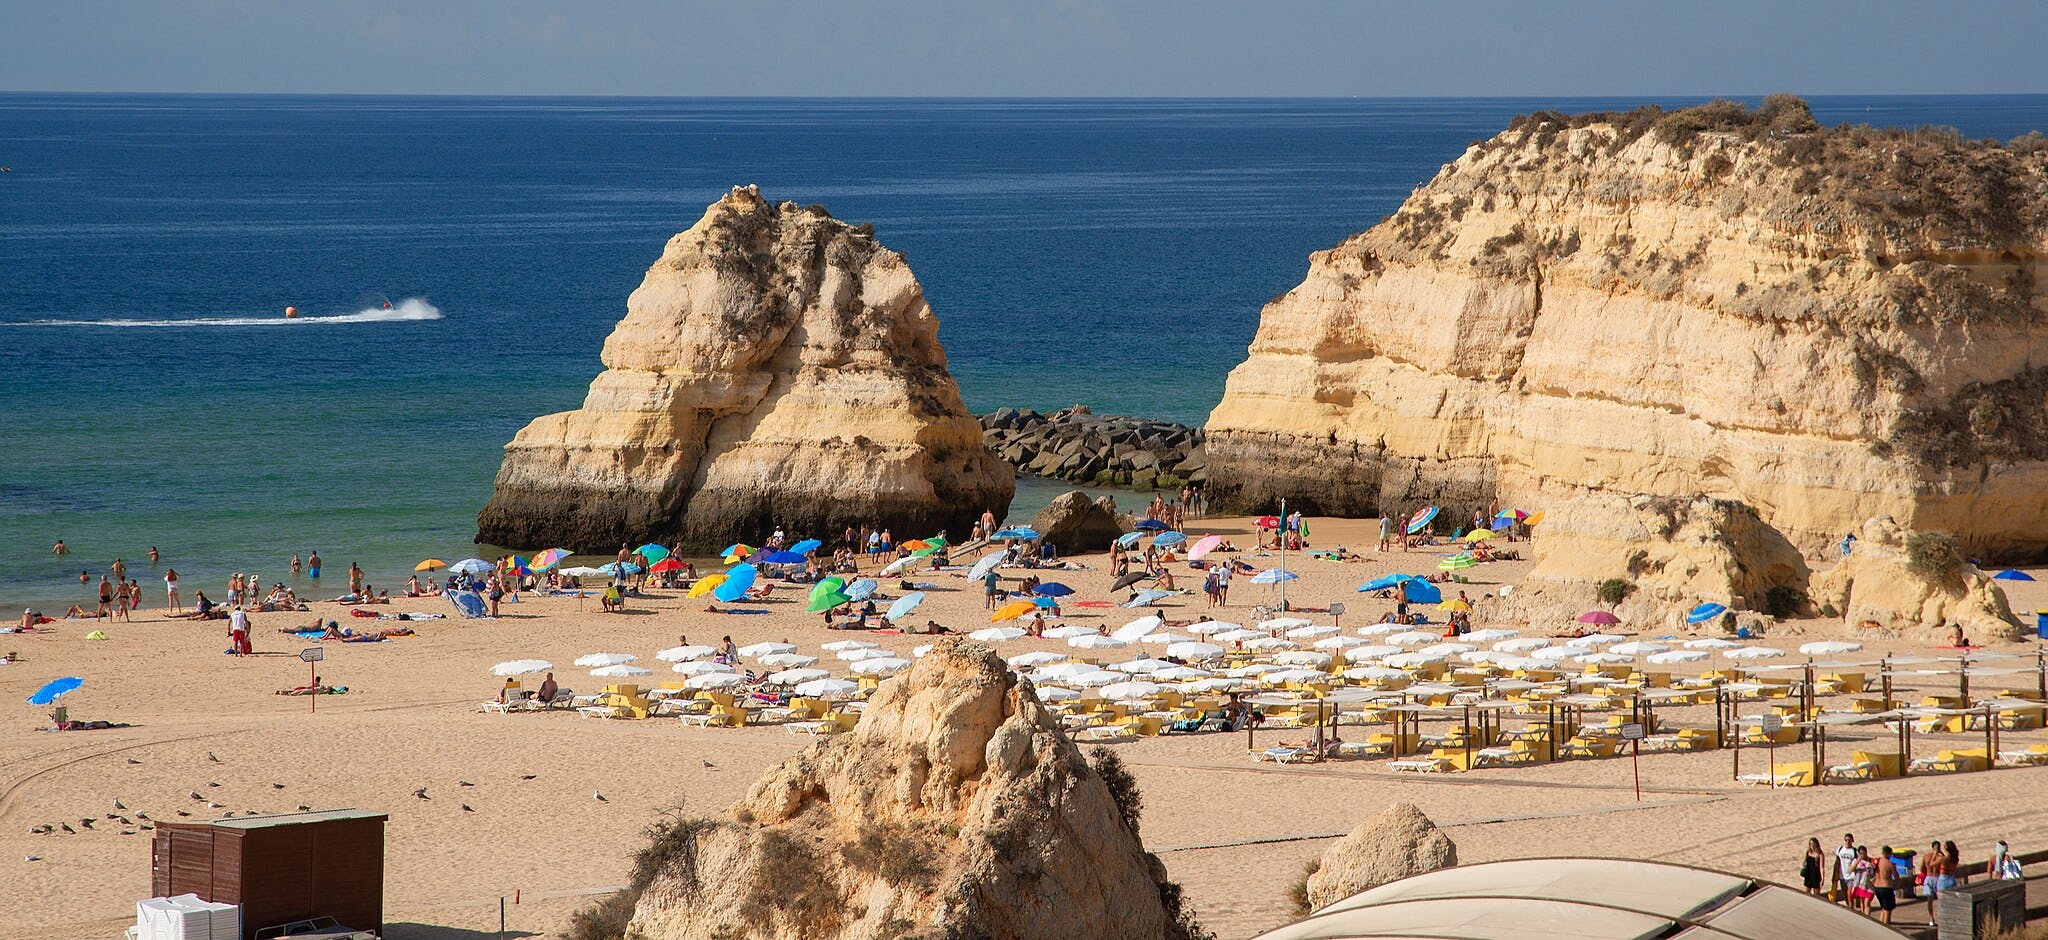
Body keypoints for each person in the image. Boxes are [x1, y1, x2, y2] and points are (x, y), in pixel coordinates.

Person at [1873, 846, 1898, 925]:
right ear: (1888, 853)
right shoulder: (1889, 863)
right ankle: (1886, 925)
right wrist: (1894, 868)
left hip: (1877, 887)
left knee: (1883, 908)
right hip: (1886, 887)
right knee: (1887, 908)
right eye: (1890, 854)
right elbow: (1896, 876)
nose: (1891, 856)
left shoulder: (1877, 862)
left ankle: (1881, 924)